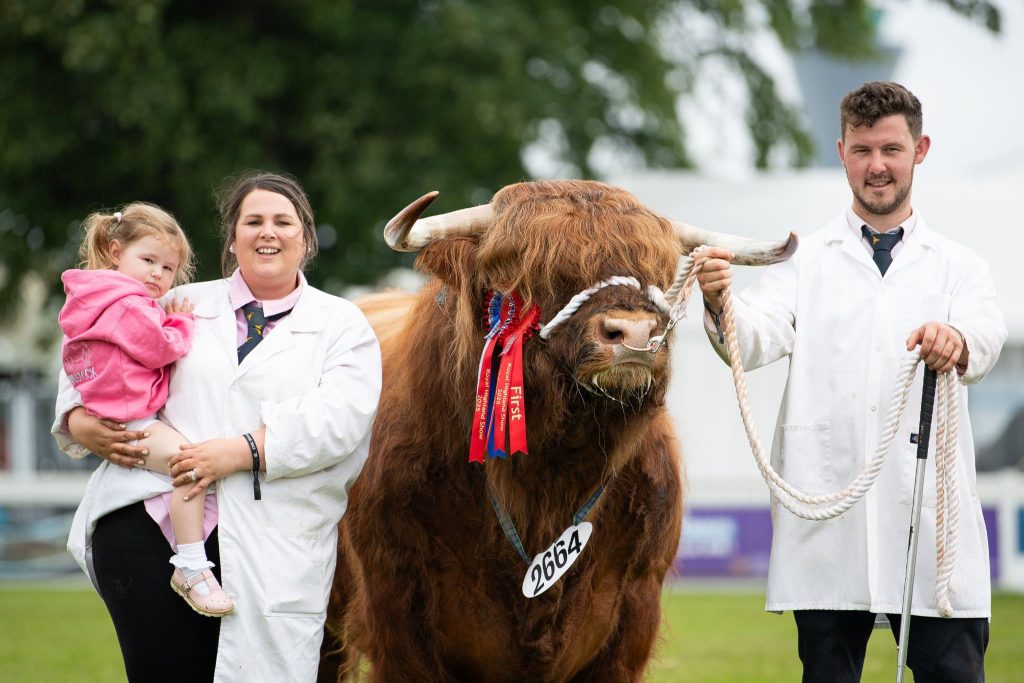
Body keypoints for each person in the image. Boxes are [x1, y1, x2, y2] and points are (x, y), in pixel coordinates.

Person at [696, 81, 1006, 682]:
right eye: (863, 151)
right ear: (841, 153)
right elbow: (754, 338)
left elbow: (985, 340)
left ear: (921, 150)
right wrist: (719, 302)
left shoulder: (959, 265)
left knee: (954, 673)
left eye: (891, 149)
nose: (877, 166)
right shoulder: (803, 261)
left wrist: (957, 340)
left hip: (928, 516)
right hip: (830, 519)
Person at [53, 172, 382, 681]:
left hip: (273, 539)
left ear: (307, 239)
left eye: (282, 221)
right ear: (233, 238)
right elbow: (92, 353)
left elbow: (341, 420)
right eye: (252, 221)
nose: (266, 231)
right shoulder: (178, 302)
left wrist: (243, 451)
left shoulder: (342, 326)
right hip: (149, 525)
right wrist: (78, 419)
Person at [59, 202, 234, 618]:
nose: (158, 274)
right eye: (148, 260)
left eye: (168, 268)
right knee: (189, 465)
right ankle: (191, 565)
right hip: (132, 421)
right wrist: (179, 323)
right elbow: (160, 349)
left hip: (114, 411)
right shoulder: (128, 305)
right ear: (116, 252)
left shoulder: (93, 297)